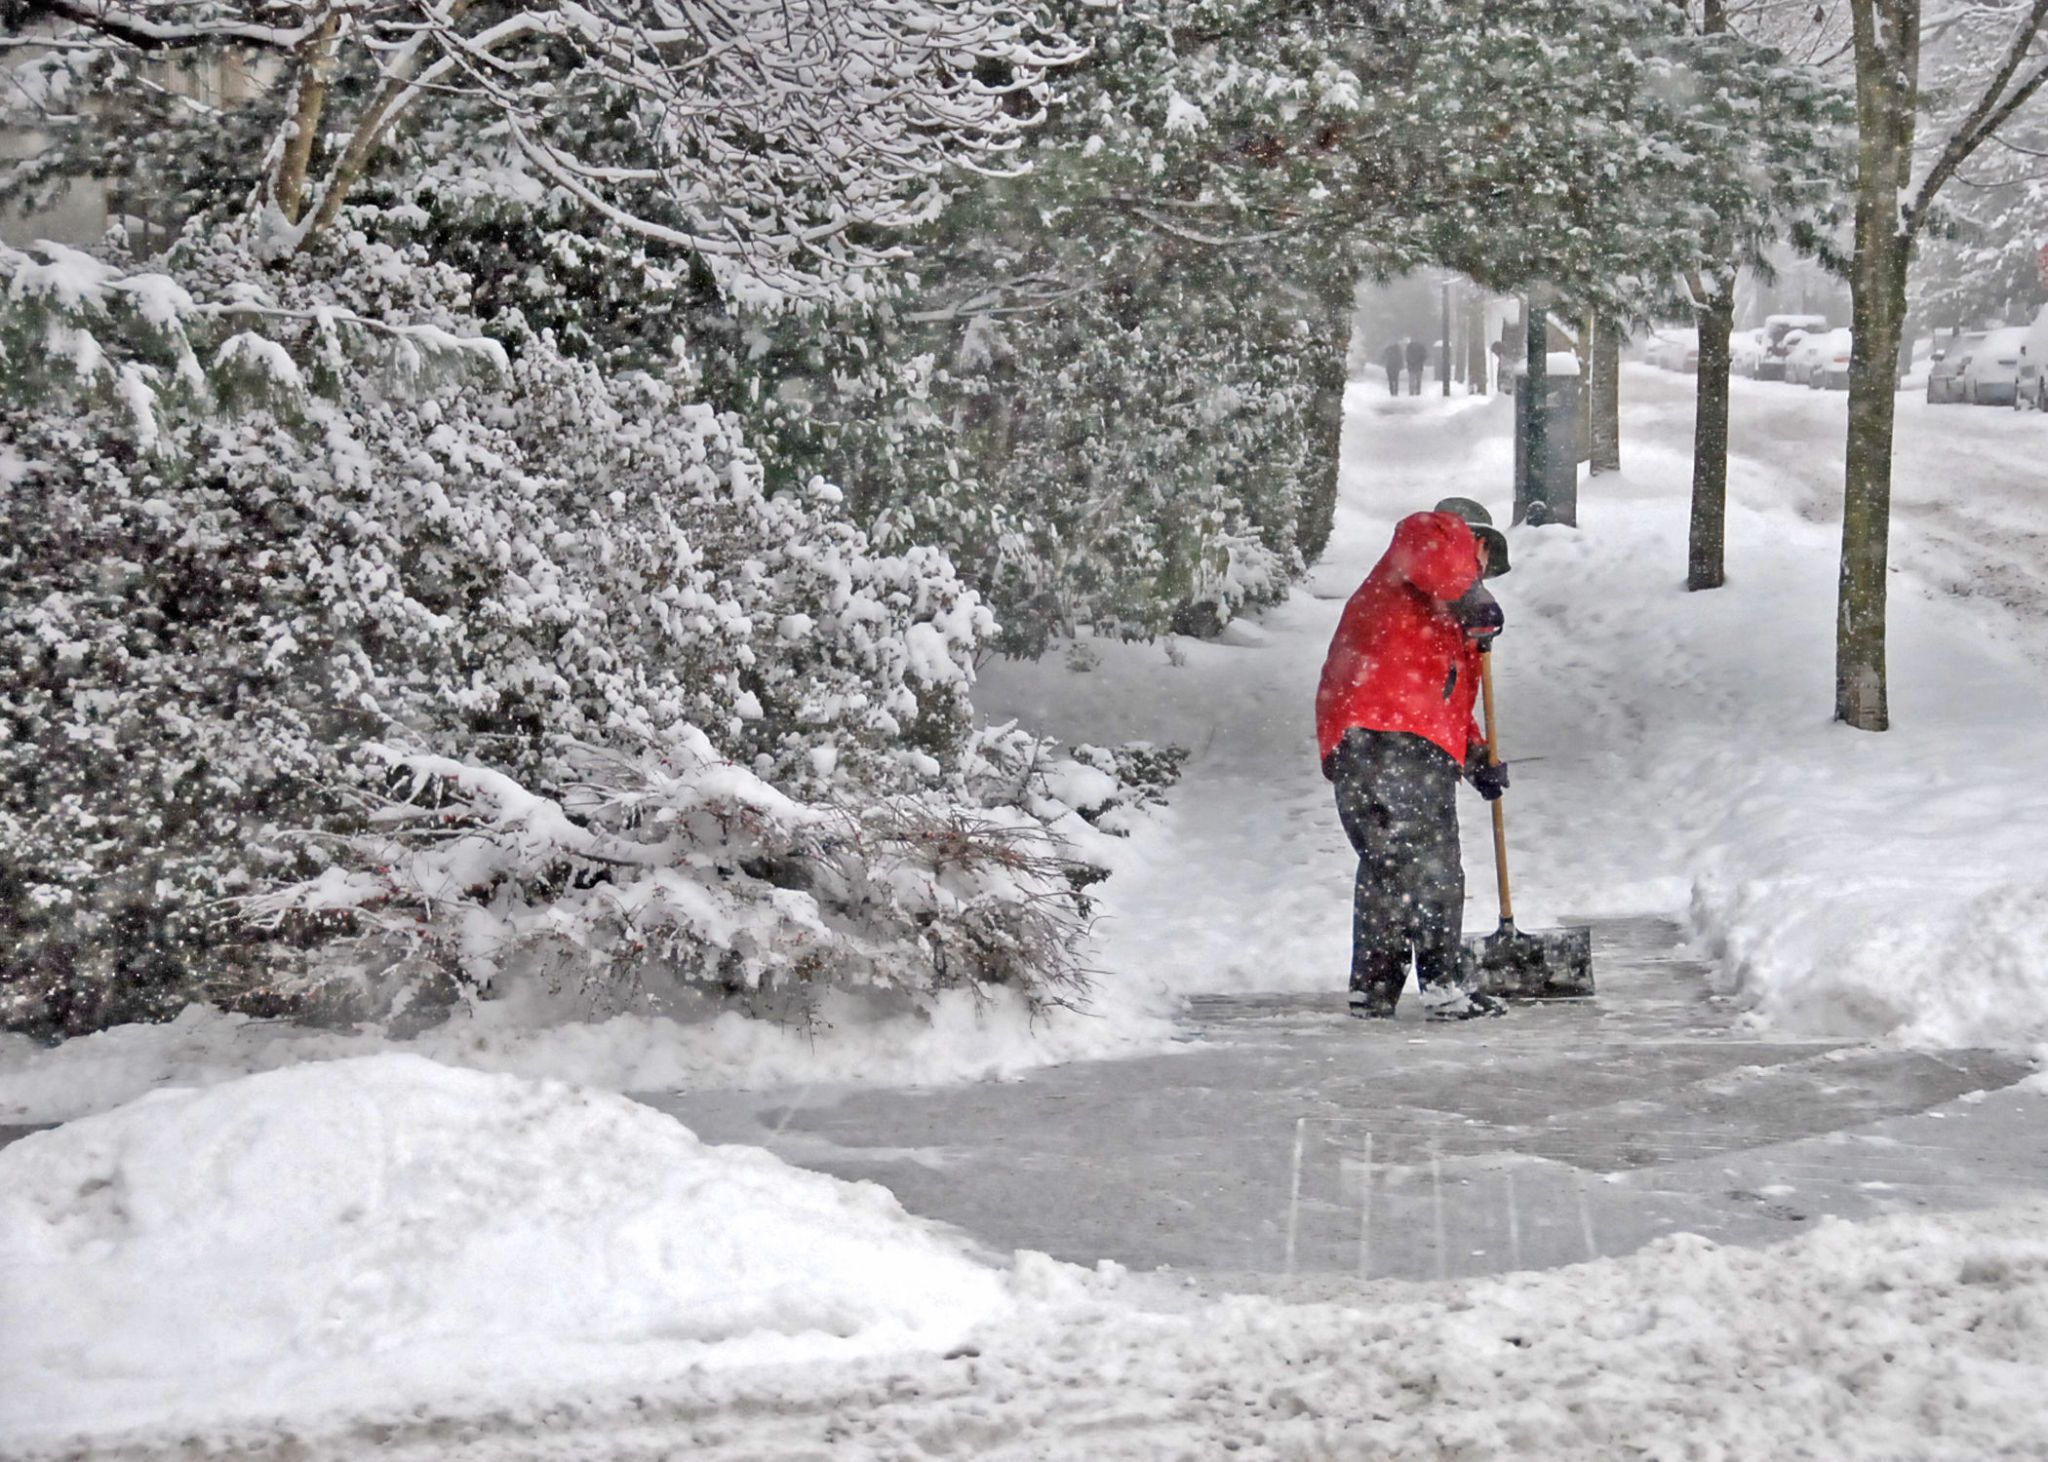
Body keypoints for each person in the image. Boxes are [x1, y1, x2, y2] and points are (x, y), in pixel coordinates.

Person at [1315, 499, 1512, 1021]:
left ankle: (1372, 991)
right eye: (1484, 562)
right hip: (1397, 737)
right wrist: (1471, 591)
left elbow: (1447, 707)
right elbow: (1424, 538)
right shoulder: (1428, 539)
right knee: (1433, 868)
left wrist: (1476, 760)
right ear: (1480, 546)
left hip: (1361, 740)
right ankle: (1444, 989)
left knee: (1387, 870)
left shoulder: (1435, 625)